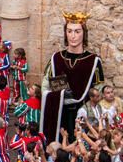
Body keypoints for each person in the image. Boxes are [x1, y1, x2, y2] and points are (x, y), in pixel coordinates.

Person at [40, 12, 104, 143]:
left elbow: (99, 89)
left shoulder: (93, 61)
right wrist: (59, 95)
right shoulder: (56, 58)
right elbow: (45, 85)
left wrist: (88, 109)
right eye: (69, 31)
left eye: (77, 31)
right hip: (58, 111)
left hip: (82, 113)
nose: (73, 36)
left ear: (84, 33)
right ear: (65, 33)